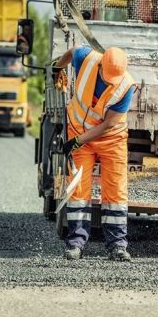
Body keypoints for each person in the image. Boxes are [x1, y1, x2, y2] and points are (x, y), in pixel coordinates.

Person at [54, 45, 135, 261]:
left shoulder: (125, 86)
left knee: (115, 192)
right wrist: (57, 68)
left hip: (111, 139)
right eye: (107, 77)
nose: (110, 82)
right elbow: (70, 52)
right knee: (78, 190)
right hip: (79, 132)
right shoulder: (87, 59)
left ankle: (117, 245)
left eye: (113, 79)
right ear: (101, 65)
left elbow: (108, 124)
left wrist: (75, 143)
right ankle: (76, 244)